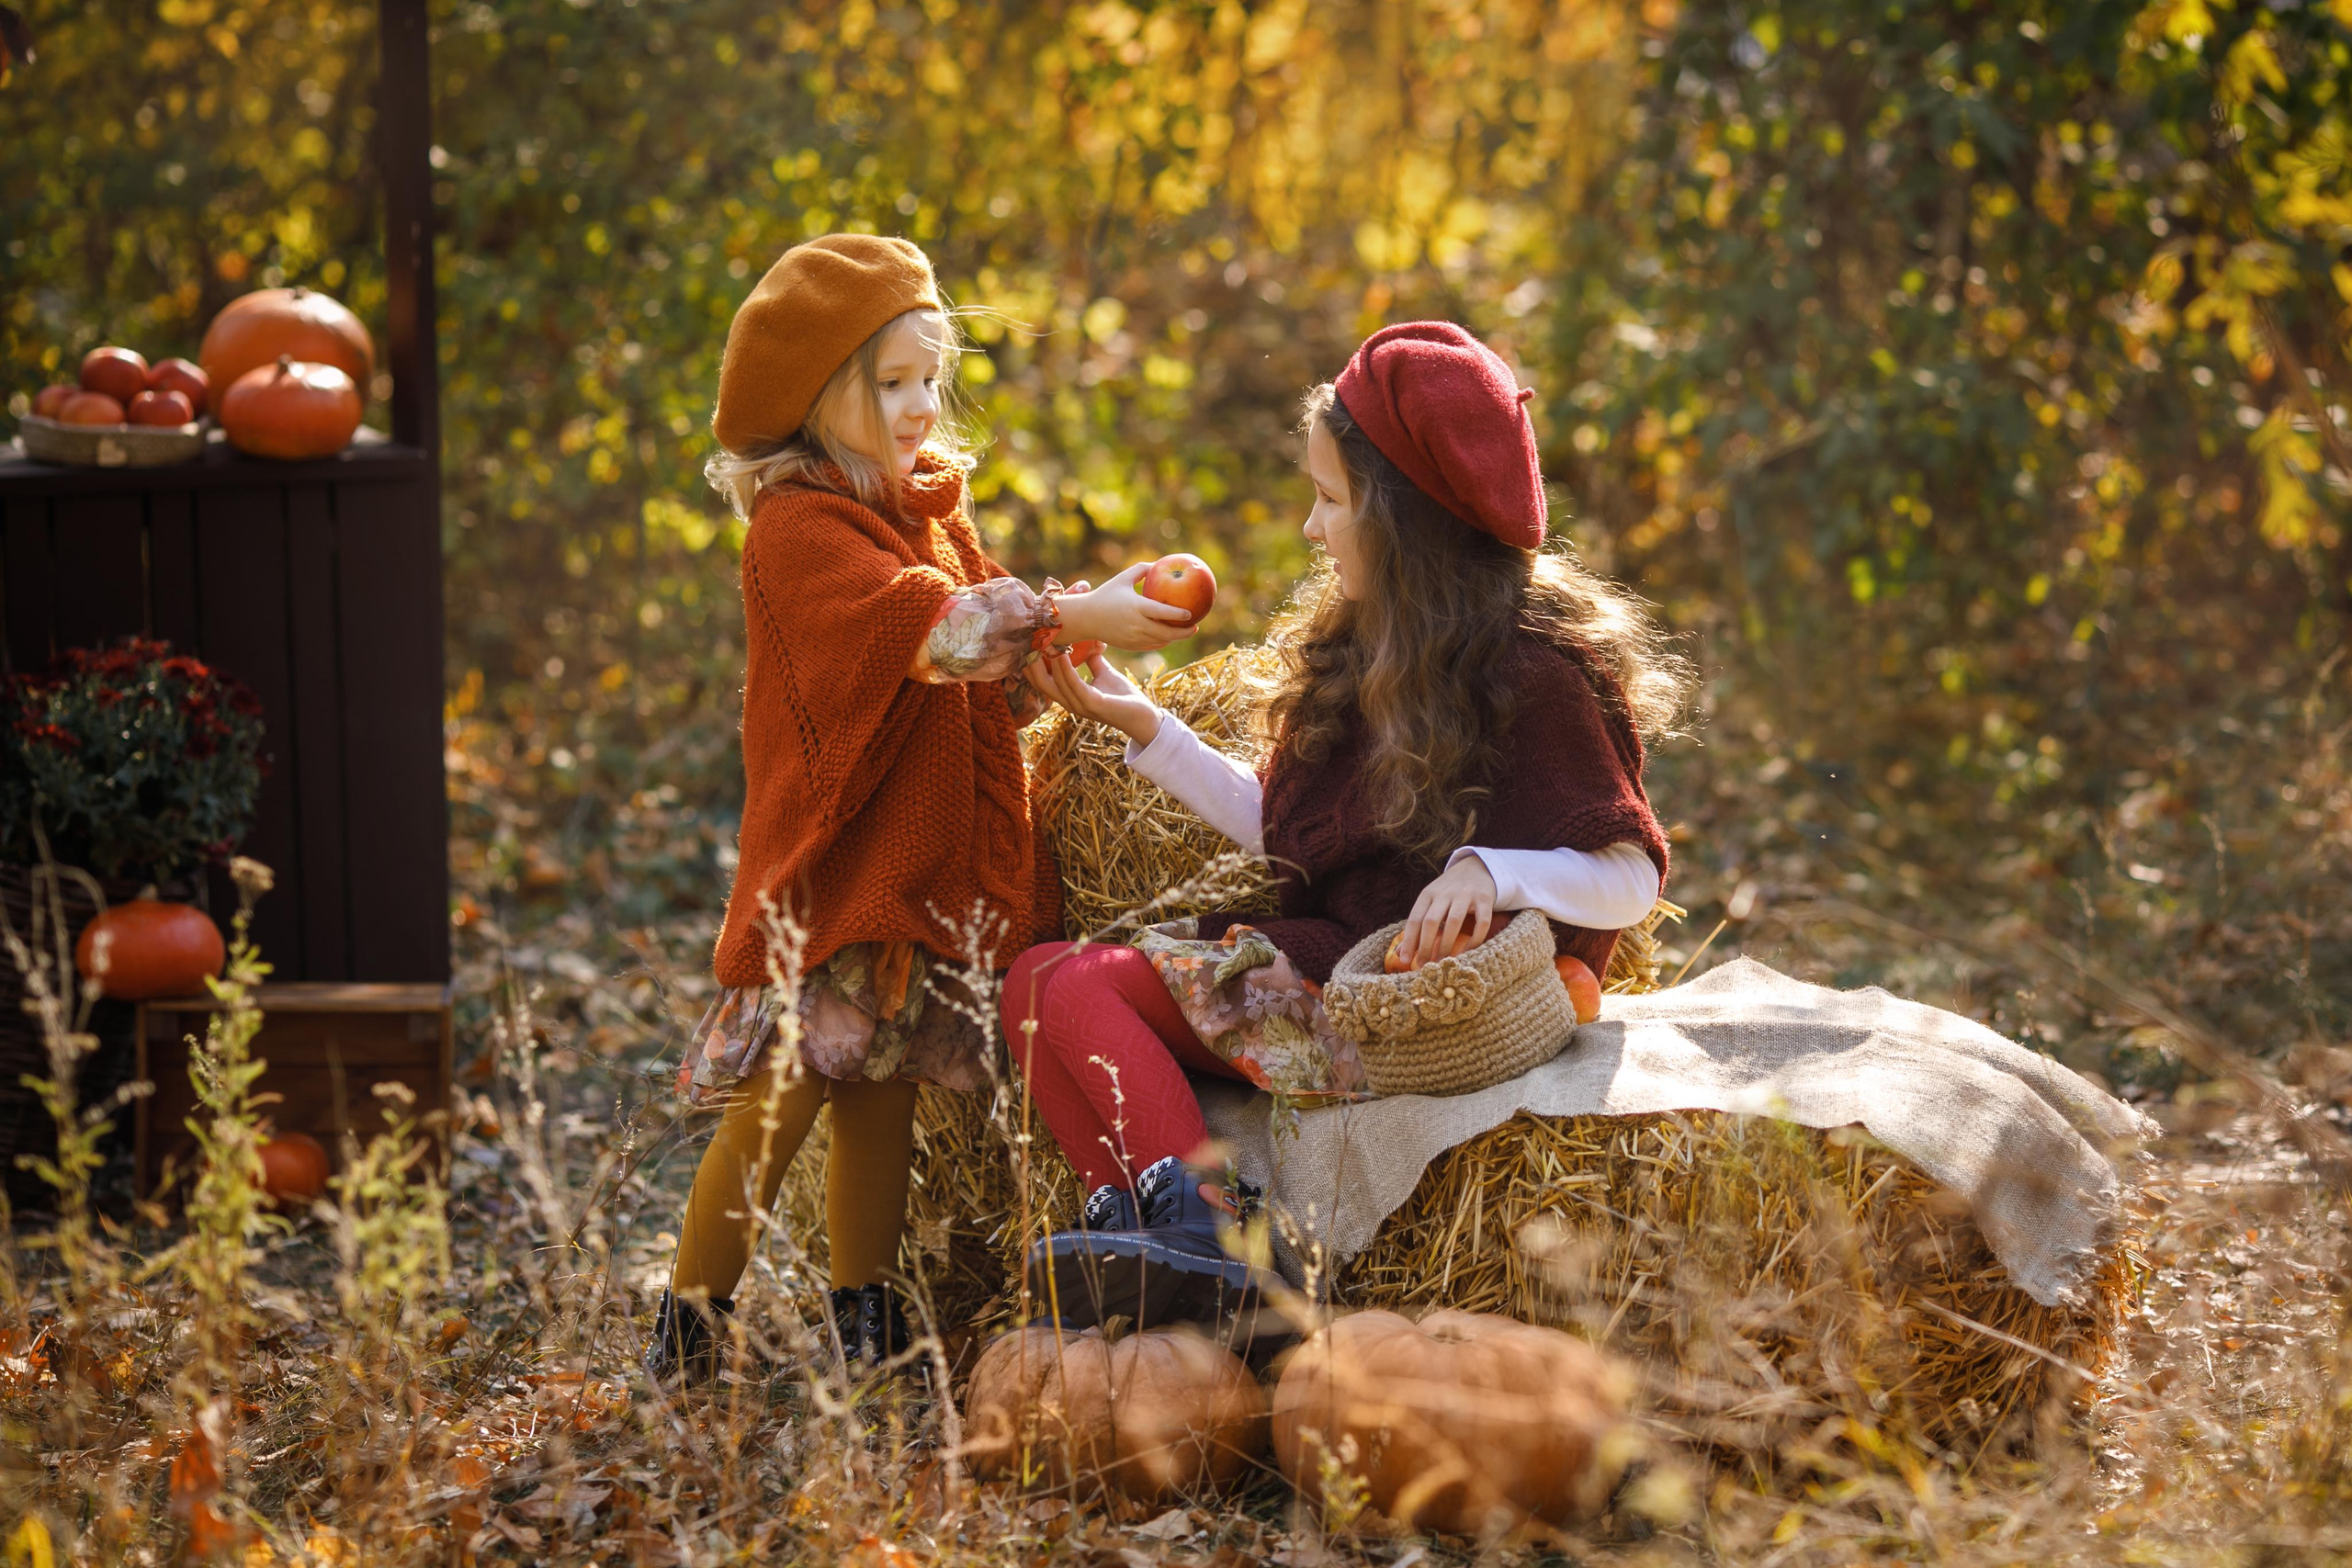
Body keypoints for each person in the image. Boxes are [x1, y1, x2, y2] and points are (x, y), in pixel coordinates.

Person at [1008, 321, 1690, 1330]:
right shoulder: (1363, 643)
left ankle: (1209, 1231)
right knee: (1030, 984)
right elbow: (1290, 831)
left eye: (1329, 500)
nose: (1310, 529)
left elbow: (1630, 875)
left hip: (1413, 1001)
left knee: (1078, 987)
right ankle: (1148, 1237)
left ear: (1403, 516)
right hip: (1332, 966)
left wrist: (1489, 871)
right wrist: (1141, 724)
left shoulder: (1532, 668)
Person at [646, 234, 1194, 1384]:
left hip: (908, 870)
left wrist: (1063, 644)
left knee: (879, 1093)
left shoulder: (926, 507)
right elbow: (940, 631)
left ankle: (866, 1317)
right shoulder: (799, 527)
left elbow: (974, 630)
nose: (917, 406)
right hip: (835, 867)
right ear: (816, 394)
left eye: (926, 379)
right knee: (785, 1096)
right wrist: (1076, 611)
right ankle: (689, 1324)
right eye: (887, 382)